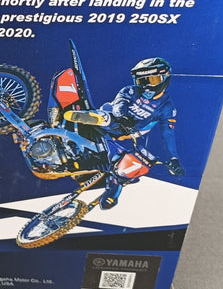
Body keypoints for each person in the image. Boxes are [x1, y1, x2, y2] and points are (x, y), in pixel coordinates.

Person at [66, 57, 186, 209]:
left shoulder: (167, 107)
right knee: (107, 116)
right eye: (142, 81)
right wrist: (122, 116)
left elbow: (167, 133)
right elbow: (120, 103)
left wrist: (173, 159)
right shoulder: (130, 90)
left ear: (165, 79)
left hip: (127, 133)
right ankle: (91, 117)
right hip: (112, 120)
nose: (146, 86)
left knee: (133, 163)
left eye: (152, 80)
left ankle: (114, 187)